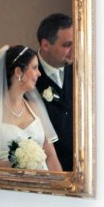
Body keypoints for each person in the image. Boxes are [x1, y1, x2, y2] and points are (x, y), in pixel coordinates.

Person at [0, 44, 62, 171]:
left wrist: (60, 183)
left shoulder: (35, 108)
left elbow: (51, 156)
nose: (39, 73)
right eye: (34, 67)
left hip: (40, 182)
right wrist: (18, 164)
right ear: (19, 72)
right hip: (0, 182)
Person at [36, 13, 73, 171]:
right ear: (45, 45)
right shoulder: (28, 74)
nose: (73, 50)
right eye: (67, 45)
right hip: (47, 169)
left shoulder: (83, 68)